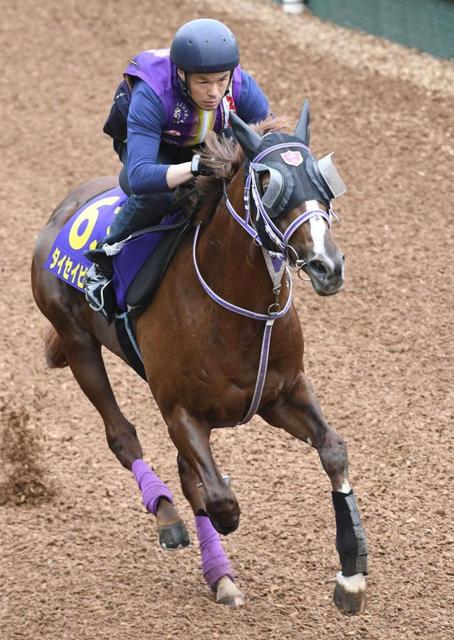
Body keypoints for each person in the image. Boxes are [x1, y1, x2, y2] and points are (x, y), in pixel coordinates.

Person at [85, 18, 270, 301]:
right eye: (203, 82)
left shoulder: (241, 85)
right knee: (158, 196)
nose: (214, 92)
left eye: (222, 80)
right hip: (151, 145)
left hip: (200, 139)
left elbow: (266, 142)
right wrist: (195, 167)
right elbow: (140, 175)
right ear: (182, 74)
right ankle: (104, 258)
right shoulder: (152, 92)